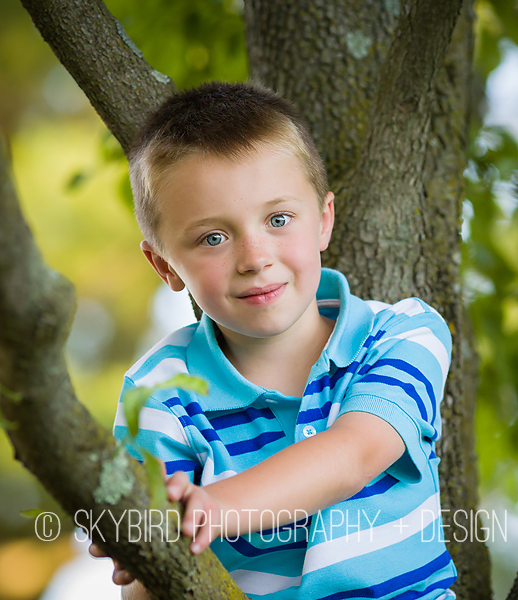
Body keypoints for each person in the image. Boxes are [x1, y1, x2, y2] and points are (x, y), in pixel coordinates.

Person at [102, 82, 457, 599]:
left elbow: (354, 454)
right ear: (164, 265)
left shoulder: (401, 335)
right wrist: (145, 550)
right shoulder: (161, 391)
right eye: (212, 238)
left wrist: (213, 508)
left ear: (323, 221)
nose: (255, 256)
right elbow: (157, 572)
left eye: (278, 219)